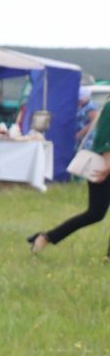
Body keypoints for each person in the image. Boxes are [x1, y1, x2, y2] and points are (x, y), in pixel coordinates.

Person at [27, 100, 110, 257]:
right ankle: (45, 237)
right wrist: (108, 163)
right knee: (95, 213)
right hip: (104, 165)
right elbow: (105, 138)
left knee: (96, 213)